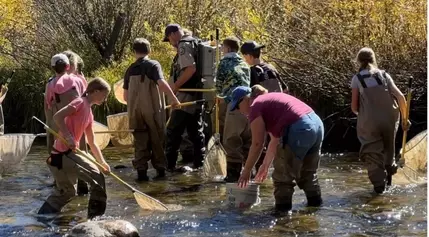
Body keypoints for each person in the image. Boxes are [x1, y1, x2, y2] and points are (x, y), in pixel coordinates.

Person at [234, 85, 324, 212]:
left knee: (282, 178)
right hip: (317, 125)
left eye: (237, 107)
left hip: (299, 128)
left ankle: (281, 216)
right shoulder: (269, 101)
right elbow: (274, 140)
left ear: (245, 100)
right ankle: (316, 209)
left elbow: (257, 143)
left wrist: (247, 170)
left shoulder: (255, 106)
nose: (239, 111)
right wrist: (265, 165)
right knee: (308, 174)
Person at [38, 77, 111, 219]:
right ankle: (95, 219)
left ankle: (42, 219)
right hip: (62, 154)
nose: (105, 99)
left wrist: (102, 162)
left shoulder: (89, 112)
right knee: (96, 178)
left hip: (68, 154)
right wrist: (68, 136)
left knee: (68, 192)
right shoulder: (79, 102)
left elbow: (92, 142)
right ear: (95, 91)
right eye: (104, 95)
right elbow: (57, 116)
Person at [350, 47, 410, 193]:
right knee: (389, 150)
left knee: (373, 154)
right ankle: (389, 183)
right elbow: (401, 98)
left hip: (370, 122)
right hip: (390, 119)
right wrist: (404, 119)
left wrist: (364, 115)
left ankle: (379, 189)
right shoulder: (384, 75)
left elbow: (354, 107)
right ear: (373, 59)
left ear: (358, 61)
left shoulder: (357, 79)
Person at [123, 38, 180, 181]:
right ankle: (160, 172)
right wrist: (174, 99)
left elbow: (125, 96)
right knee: (158, 138)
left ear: (134, 52)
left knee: (140, 141)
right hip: (152, 110)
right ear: (149, 50)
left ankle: (141, 173)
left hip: (135, 112)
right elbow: (161, 83)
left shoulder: (130, 69)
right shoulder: (153, 65)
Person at [163, 23, 206, 171]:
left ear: (172, 35)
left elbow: (190, 69)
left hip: (185, 96)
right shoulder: (196, 42)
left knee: (173, 131)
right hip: (197, 93)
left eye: (168, 39)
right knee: (196, 131)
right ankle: (199, 165)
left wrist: (175, 87)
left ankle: (169, 167)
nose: (170, 43)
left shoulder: (183, 45)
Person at [44, 53, 89, 195]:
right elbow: (85, 99)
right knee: (82, 152)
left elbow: (49, 104)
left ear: (52, 68)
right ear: (68, 66)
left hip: (62, 125)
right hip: (79, 123)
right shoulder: (79, 80)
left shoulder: (50, 84)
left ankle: (67, 188)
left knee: (64, 154)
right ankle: (84, 184)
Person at [215, 36, 251, 182]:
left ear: (228, 48)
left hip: (233, 103)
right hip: (249, 104)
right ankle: (251, 172)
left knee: (231, 139)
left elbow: (218, 85)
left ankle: (233, 175)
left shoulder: (224, 63)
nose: (222, 50)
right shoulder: (244, 63)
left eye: (223, 47)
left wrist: (218, 96)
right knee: (248, 139)